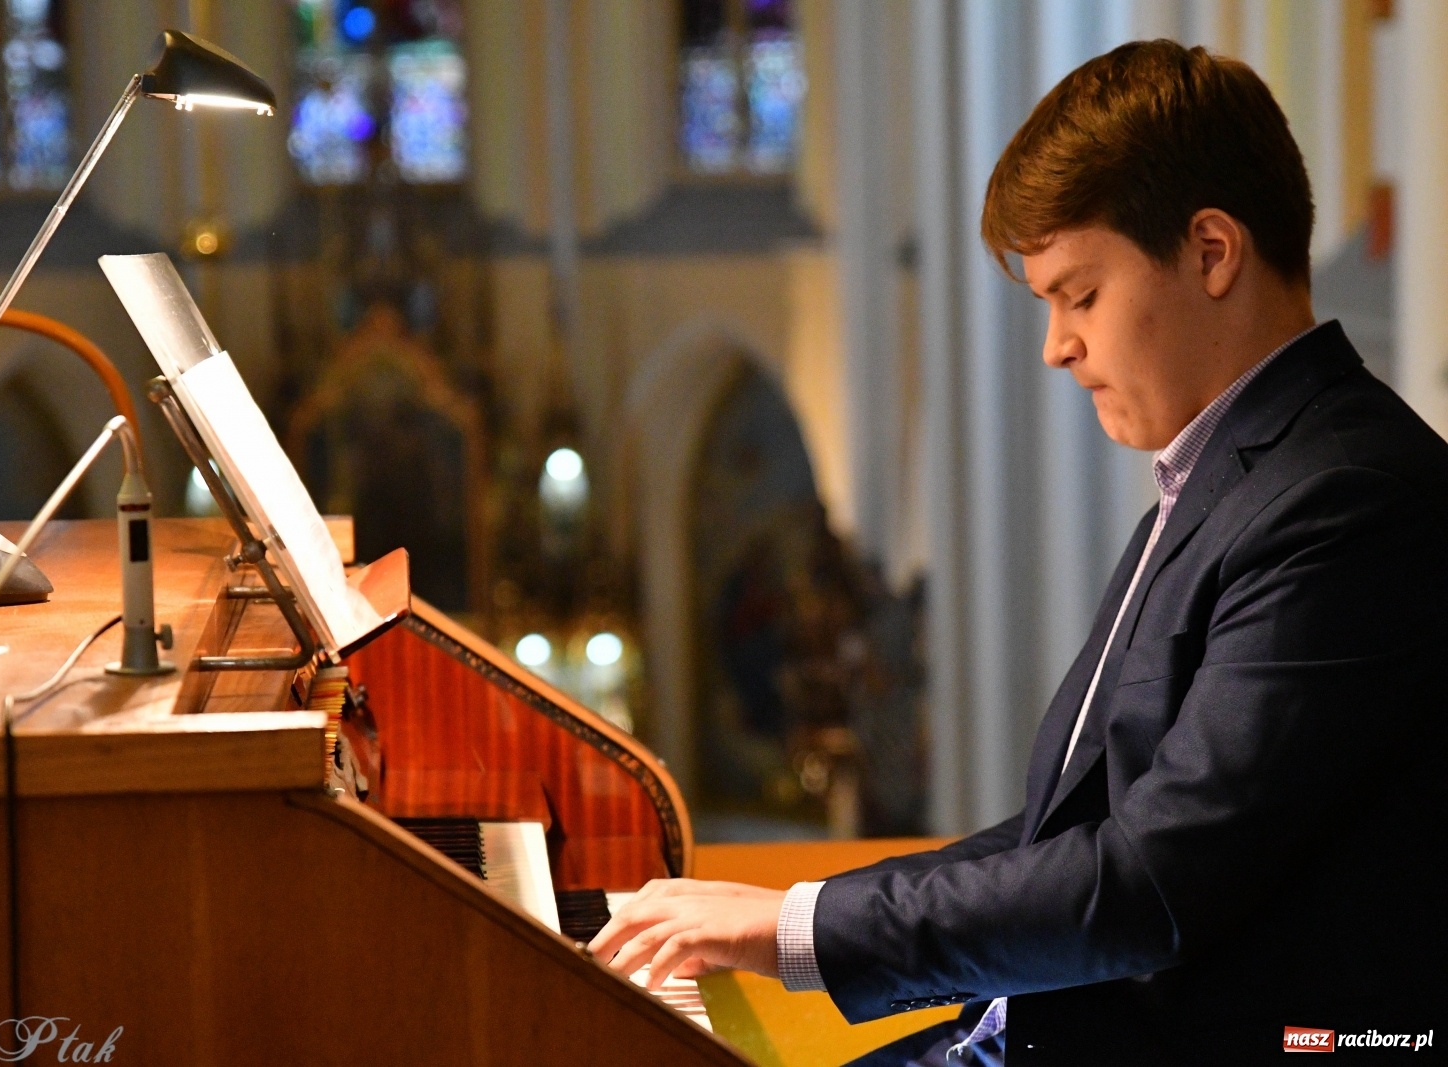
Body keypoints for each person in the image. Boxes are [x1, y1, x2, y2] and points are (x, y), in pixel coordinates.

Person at [589, 39, 1447, 1064]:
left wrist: (789, 932)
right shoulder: (1232, 476)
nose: (1056, 346)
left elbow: (1153, 881)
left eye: (1079, 295)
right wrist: (789, 912)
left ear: (1212, 252)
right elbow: (1067, 831)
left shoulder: (1343, 498)